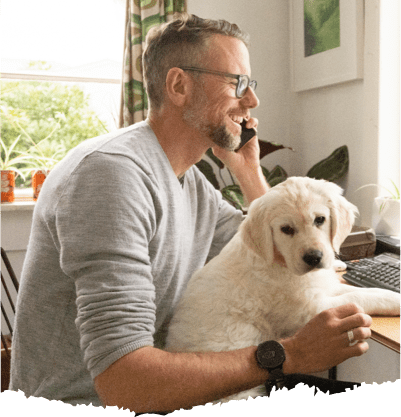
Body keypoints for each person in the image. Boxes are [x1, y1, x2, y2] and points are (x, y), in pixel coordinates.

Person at [10, 13, 372, 413]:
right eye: (237, 84)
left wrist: (246, 170)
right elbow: (124, 383)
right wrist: (290, 354)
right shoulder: (110, 176)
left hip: (167, 390)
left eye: (250, 85)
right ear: (179, 85)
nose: (252, 100)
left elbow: (267, 252)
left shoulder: (189, 182)